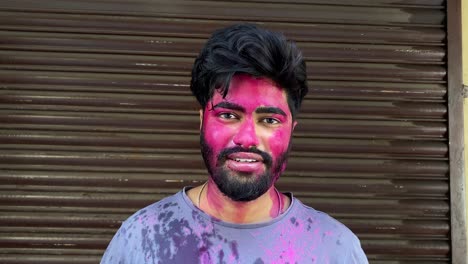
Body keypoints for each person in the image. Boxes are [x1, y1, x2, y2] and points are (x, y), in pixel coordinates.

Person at [101, 23, 368, 264]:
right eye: (228, 115)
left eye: (269, 120)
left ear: (291, 130)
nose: (247, 138)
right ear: (202, 121)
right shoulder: (142, 238)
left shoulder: (335, 249)